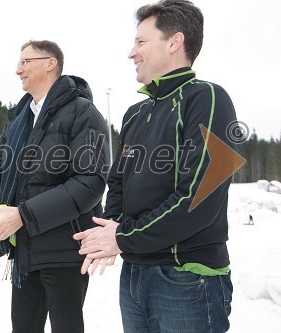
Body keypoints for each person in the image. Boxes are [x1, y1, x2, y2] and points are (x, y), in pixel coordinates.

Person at [73, 1, 236, 332]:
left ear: (174, 42)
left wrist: (124, 237)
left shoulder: (207, 98)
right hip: (134, 273)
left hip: (187, 278)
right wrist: (112, 227)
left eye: (141, 42)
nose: (131, 53)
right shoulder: (135, 113)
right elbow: (118, 180)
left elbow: (201, 197)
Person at [0, 40, 109, 333]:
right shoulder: (20, 119)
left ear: (50, 63)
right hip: (25, 252)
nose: (17, 69)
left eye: (25, 62)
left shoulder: (83, 113)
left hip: (65, 250)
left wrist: (24, 214)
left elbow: (89, 184)